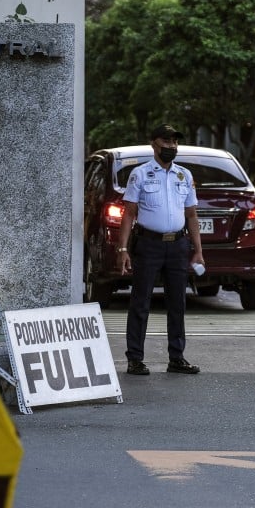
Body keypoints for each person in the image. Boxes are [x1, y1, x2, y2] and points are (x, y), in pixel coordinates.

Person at [114, 124, 204, 376]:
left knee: (178, 302)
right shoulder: (139, 174)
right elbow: (129, 214)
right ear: (154, 143)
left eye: (175, 142)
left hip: (177, 245)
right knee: (140, 302)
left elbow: (192, 214)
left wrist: (198, 250)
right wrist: (123, 249)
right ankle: (135, 359)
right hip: (148, 245)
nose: (171, 147)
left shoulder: (184, 175)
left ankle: (177, 357)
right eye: (166, 142)